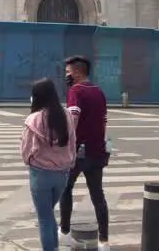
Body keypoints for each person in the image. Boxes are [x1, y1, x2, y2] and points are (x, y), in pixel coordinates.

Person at [58, 56, 110, 251]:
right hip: (97, 152)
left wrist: (66, 145)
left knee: (66, 189)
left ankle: (64, 232)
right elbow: (104, 121)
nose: (67, 76)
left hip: (77, 153)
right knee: (98, 195)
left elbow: (73, 119)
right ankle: (104, 241)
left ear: (78, 72)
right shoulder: (99, 92)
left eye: (68, 72)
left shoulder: (76, 91)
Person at [21, 78, 77, 251]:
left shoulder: (34, 119)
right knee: (48, 215)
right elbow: (73, 142)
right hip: (62, 173)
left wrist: (29, 161)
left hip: (41, 174)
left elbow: (27, 149)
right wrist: (71, 161)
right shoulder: (66, 114)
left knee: (44, 218)